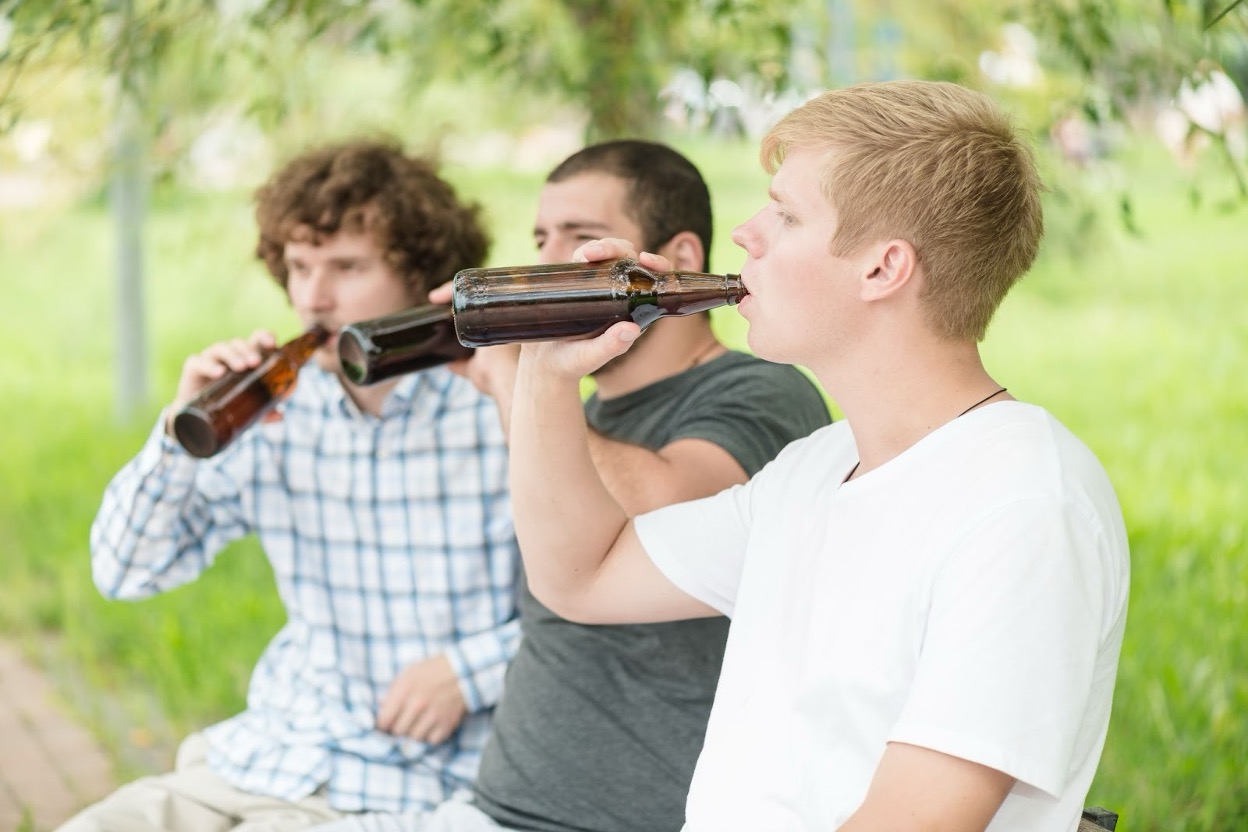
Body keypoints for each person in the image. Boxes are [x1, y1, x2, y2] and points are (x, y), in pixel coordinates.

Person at [504, 82, 1131, 831]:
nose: (744, 233)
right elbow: (580, 578)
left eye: (787, 214)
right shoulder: (816, 467)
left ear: (882, 269)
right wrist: (545, 375)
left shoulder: (1024, 508)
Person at [317, 141, 831, 832]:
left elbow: (667, 513)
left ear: (677, 258)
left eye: (581, 238)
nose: (548, 260)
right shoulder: (579, 416)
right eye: (539, 238)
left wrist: (518, 378)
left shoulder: (761, 390)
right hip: (487, 809)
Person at [67, 141, 520, 831]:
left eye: (347, 267)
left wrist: (470, 670)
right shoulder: (273, 414)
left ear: (419, 272)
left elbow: (593, 604)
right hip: (264, 759)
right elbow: (125, 572)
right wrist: (178, 437)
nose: (313, 296)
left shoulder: (501, 411)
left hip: (416, 783)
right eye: (300, 266)